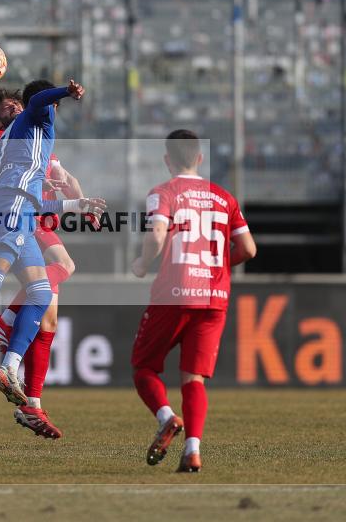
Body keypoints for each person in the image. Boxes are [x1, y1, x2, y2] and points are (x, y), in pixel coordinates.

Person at [0, 79, 104, 409]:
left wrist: (76, 205)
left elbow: (38, 201)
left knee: (40, 292)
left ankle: (9, 367)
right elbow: (38, 97)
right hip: (12, 205)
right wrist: (64, 93)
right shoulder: (37, 116)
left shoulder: (24, 136)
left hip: (23, 208)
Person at [130, 130, 257, 473]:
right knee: (194, 378)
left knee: (144, 367)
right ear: (200, 158)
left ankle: (167, 417)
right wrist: (215, 265)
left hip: (174, 292)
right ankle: (193, 451)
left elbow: (157, 233)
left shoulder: (163, 192)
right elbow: (248, 249)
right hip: (214, 297)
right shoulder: (223, 197)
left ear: (167, 160)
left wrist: (142, 263)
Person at [0, 87, 84, 439]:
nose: (15, 108)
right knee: (66, 268)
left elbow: (68, 179)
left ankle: (32, 404)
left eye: (17, 104)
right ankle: (6, 322)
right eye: (7, 107)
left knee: (48, 318)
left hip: (41, 217)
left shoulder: (38, 136)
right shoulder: (1, 136)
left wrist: (79, 200)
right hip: (23, 214)